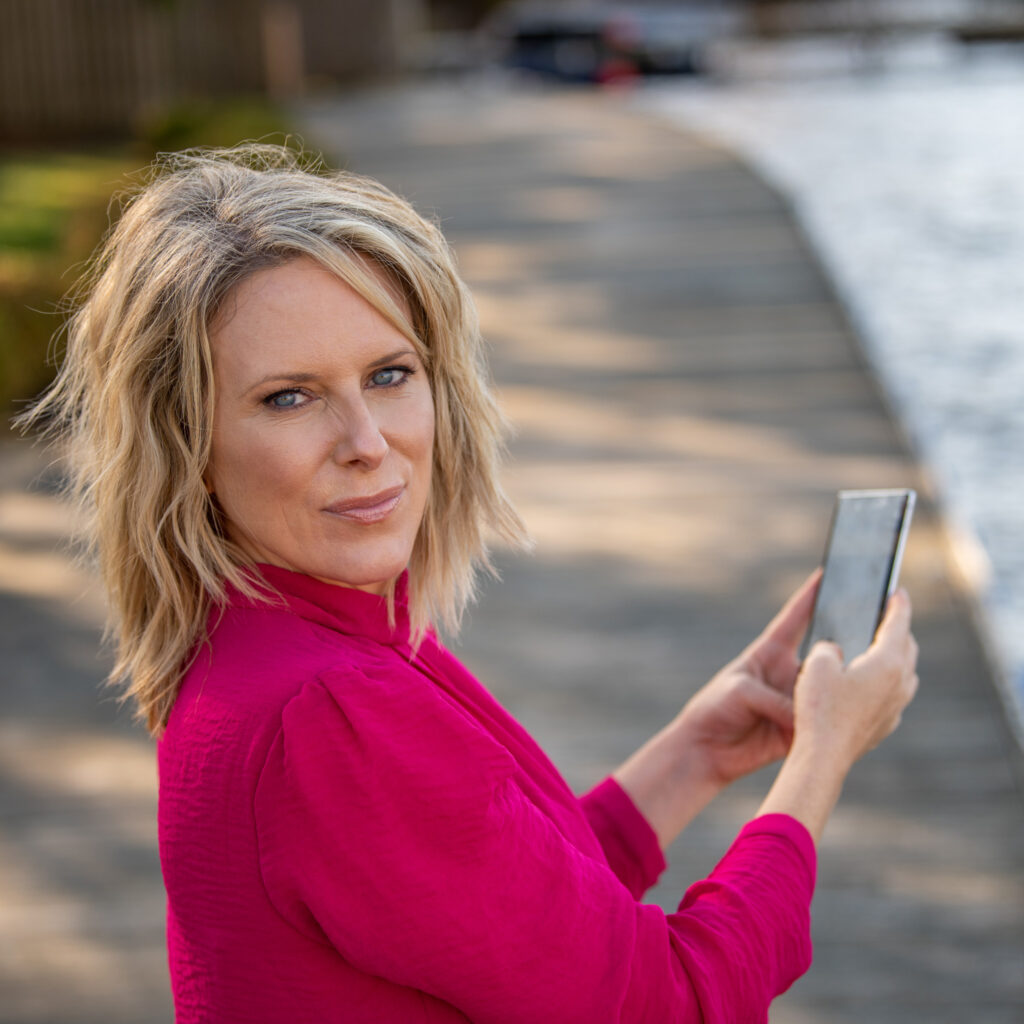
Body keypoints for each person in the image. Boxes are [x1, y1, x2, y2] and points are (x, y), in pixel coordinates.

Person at [21, 145, 919, 1023]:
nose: (368, 440)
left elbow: (510, 919)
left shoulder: (286, 642)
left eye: (389, 374)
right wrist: (822, 756)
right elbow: (674, 1003)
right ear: (189, 447)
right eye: (289, 396)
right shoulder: (332, 712)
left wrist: (696, 754)